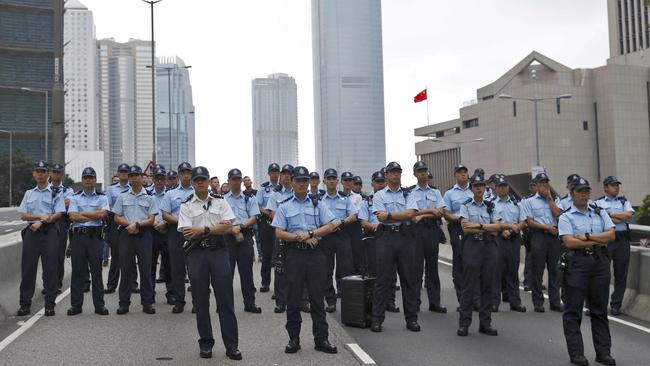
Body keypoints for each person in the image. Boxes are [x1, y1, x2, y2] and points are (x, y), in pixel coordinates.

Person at [271, 166, 338, 355]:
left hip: (315, 254)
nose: (301, 184)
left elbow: (331, 225)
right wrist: (298, 238)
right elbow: (278, 232)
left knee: (317, 298)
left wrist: (311, 234)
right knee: (293, 298)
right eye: (298, 180)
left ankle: (321, 339)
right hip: (294, 255)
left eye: (304, 181)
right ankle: (294, 339)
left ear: (308, 183)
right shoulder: (284, 206)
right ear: (291, 182)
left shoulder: (318, 203)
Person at [178, 166, 242, 361]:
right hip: (197, 255)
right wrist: (214, 228)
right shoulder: (186, 204)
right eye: (196, 179)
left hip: (219, 252)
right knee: (200, 301)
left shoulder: (221, 202)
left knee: (225, 300)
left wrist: (203, 230)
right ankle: (206, 343)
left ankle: (232, 345)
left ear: (207, 181)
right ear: (193, 182)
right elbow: (186, 232)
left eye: (203, 179)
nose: (199, 182)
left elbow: (228, 226)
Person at [558, 178, 616, 366]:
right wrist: (597, 240)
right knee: (573, 310)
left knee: (599, 310)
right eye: (580, 191)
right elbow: (570, 242)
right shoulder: (566, 216)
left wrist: (588, 237)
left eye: (586, 191)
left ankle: (603, 352)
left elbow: (611, 235)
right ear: (572, 193)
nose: (584, 194)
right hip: (577, 264)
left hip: (599, 263)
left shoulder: (599, 212)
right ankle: (577, 354)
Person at [370, 162, 420, 333]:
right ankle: (377, 319)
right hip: (386, 238)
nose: (395, 175)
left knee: (409, 280)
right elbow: (381, 218)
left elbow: (411, 214)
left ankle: (411, 319)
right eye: (392, 172)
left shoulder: (408, 194)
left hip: (405, 238)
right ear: (386, 175)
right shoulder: (379, 195)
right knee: (382, 280)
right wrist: (398, 216)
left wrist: (390, 214)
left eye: (398, 172)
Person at [16, 161, 66, 317]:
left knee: (50, 269)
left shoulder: (56, 193)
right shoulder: (29, 193)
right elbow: (23, 215)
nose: (40, 173)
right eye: (37, 171)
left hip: (49, 233)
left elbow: (58, 214)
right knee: (28, 269)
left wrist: (42, 221)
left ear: (48, 174)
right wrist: (38, 216)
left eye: (43, 171)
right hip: (32, 233)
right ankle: (25, 305)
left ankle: (50, 305)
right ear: (33, 174)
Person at [457, 173, 501, 337]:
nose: (479, 188)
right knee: (468, 286)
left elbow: (497, 227)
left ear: (484, 187)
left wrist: (480, 225)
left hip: (489, 246)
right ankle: (464, 324)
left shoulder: (491, 206)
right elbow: (466, 228)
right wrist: (486, 226)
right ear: (471, 188)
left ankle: (485, 323)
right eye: (476, 186)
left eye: (481, 185)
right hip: (472, 246)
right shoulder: (466, 205)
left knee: (487, 286)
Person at [111, 165, 158, 315]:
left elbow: (151, 219)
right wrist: (129, 225)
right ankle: (124, 303)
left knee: (145, 270)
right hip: (127, 235)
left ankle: (147, 303)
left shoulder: (150, 197)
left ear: (141, 177)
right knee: (126, 270)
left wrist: (137, 224)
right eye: (131, 176)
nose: (133, 178)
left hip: (144, 235)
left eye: (136, 175)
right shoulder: (122, 196)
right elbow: (116, 217)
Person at [66, 167, 109, 316]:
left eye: (91, 177)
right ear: (82, 180)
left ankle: (99, 306)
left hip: (95, 238)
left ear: (95, 180)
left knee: (96, 272)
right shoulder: (75, 198)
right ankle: (76, 306)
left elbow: (103, 214)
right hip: (78, 238)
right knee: (78, 272)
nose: (88, 180)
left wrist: (82, 212)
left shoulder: (102, 197)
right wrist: (93, 215)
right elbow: (72, 216)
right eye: (86, 177)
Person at [520, 172, 563, 313]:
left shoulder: (555, 199)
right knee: (537, 270)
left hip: (553, 237)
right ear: (536, 185)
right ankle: (538, 301)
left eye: (546, 183)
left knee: (554, 270)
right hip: (538, 235)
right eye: (541, 183)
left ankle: (555, 301)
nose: (544, 186)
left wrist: (550, 199)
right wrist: (546, 227)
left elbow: (558, 214)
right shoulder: (529, 201)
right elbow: (529, 222)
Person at [358, 171, 400, 313]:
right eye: (378, 182)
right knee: (375, 271)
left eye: (382, 181)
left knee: (391, 271)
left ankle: (390, 301)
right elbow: (363, 222)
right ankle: (376, 301)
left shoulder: (390, 198)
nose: (380, 184)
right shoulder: (367, 201)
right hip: (373, 238)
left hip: (389, 236)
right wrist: (375, 226)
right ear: (372, 184)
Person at [410, 161, 447, 313]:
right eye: (420, 171)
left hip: (432, 230)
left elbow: (441, 212)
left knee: (432, 269)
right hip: (417, 232)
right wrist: (431, 211)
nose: (423, 173)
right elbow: (412, 214)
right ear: (415, 174)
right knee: (416, 269)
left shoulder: (435, 192)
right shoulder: (410, 192)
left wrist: (424, 212)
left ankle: (435, 302)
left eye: (425, 170)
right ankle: (415, 302)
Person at [224, 168, 262, 313]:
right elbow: (221, 219)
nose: (236, 181)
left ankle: (250, 303)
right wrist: (234, 232)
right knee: (227, 273)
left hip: (245, 237)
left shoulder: (249, 198)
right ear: (228, 181)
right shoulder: (222, 199)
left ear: (241, 181)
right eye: (233, 179)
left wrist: (239, 228)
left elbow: (253, 217)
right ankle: (226, 305)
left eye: (238, 179)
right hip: (227, 238)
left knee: (247, 273)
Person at [596, 176, 634, 316]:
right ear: (605, 187)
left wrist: (609, 215)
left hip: (622, 239)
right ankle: (597, 304)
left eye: (617, 185)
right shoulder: (598, 202)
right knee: (602, 273)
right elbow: (599, 218)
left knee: (621, 273)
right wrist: (617, 216)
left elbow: (628, 215)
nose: (616, 187)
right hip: (606, 238)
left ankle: (616, 305)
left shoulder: (624, 201)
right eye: (613, 185)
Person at [320, 168, 357, 313]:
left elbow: (354, 215)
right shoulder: (319, 199)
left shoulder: (345, 198)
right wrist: (329, 225)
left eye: (333, 178)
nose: (331, 180)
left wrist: (341, 222)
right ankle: (330, 301)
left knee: (346, 269)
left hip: (342, 236)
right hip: (327, 237)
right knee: (326, 269)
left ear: (337, 181)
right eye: (328, 178)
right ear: (324, 181)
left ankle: (348, 302)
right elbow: (316, 218)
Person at [161, 162, 195, 314]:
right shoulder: (170, 194)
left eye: (189, 172)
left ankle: (197, 301)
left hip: (195, 232)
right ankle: (179, 301)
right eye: (183, 172)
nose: (186, 175)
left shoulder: (200, 192)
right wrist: (181, 222)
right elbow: (165, 214)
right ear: (179, 175)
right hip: (176, 232)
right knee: (177, 268)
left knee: (195, 268)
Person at [490, 177, 526, 313]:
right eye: (500, 186)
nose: (503, 188)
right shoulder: (491, 204)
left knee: (513, 271)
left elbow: (523, 221)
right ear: (496, 188)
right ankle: (494, 303)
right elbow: (491, 222)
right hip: (498, 239)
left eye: (505, 186)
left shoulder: (517, 204)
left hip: (513, 239)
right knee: (496, 272)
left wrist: (512, 230)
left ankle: (515, 302)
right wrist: (502, 230)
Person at [265, 164, 295, 313]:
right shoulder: (275, 194)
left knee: (299, 269)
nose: (286, 176)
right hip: (282, 234)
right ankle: (281, 302)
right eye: (284, 174)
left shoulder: (301, 192)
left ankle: (300, 300)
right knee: (280, 268)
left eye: (289, 174)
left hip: (297, 236)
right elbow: (271, 214)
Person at [443, 164, 474, 305]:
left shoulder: (475, 190)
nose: (463, 174)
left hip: (475, 228)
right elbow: (446, 213)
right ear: (455, 175)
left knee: (474, 263)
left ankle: (475, 298)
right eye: (459, 172)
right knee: (460, 263)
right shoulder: (450, 193)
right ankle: (463, 299)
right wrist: (460, 219)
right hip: (458, 228)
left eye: (465, 172)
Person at [105, 163, 137, 294]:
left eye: (126, 171)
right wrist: (120, 213)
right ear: (117, 173)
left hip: (131, 223)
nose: (124, 173)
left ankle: (133, 284)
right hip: (116, 224)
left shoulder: (135, 188)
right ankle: (112, 284)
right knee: (116, 255)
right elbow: (108, 207)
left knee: (132, 254)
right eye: (121, 171)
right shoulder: (111, 189)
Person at [49, 163, 74, 293]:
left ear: (62, 174)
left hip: (61, 224)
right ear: (50, 173)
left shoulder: (67, 190)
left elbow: (68, 202)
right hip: (46, 224)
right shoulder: (44, 188)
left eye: (59, 172)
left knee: (59, 255)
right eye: (54, 172)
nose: (56, 174)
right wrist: (58, 205)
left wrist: (50, 206)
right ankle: (48, 284)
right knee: (47, 256)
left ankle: (57, 283)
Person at [256, 163, 281, 293]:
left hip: (281, 224)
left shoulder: (284, 188)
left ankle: (280, 286)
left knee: (279, 255)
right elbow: (258, 206)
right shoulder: (263, 188)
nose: (274, 174)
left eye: (277, 171)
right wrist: (270, 213)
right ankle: (265, 283)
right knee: (266, 254)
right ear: (269, 173)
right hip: (267, 222)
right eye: (272, 172)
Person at [151, 167, 173, 305]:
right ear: (153, 179)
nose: (159, 181)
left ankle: (171, 294)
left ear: (165, 180)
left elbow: (175, 211)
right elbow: (143, 212)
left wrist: (164, 222)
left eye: (162, 178)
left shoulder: (171, 194)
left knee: (169, 265)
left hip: (167, 230)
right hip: (151, 231)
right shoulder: (147, 194)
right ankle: (149, 294)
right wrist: (153, 223)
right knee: (150, 265)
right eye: (157, 178)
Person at [341, 171, 364, 275]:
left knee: (357, 255)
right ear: (341, 182)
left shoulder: (357, 197)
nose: (348, 182)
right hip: (341, 227)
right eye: (345, 180)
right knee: (344, 257)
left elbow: (357, 213)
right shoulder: (338, 196)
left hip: (354, 227)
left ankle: (357, 284)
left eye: (350, 180)